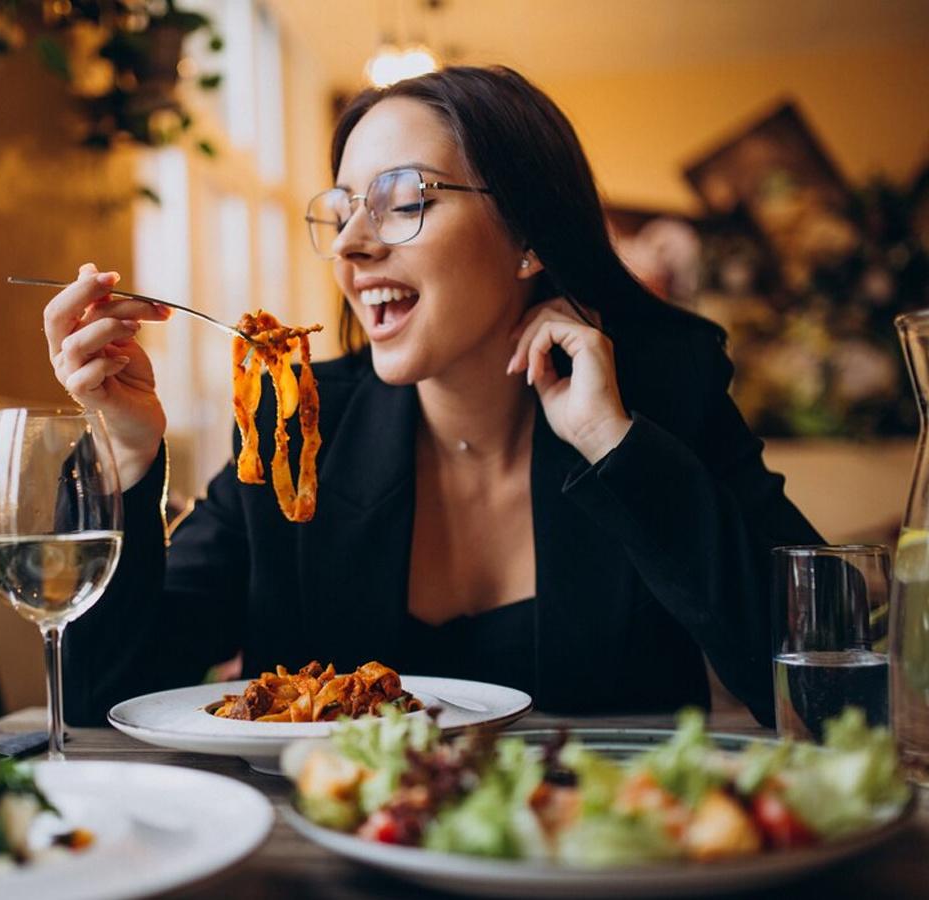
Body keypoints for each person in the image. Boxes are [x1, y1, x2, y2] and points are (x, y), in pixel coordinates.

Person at [43, 66, 820, 728]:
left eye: (404, 199)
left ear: (528, 237)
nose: (350, 244)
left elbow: (823, 689)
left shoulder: (660, 397)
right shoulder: (298, 429)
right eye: (343, 209)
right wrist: (126, 454)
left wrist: (611, 443)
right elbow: (104, 696)